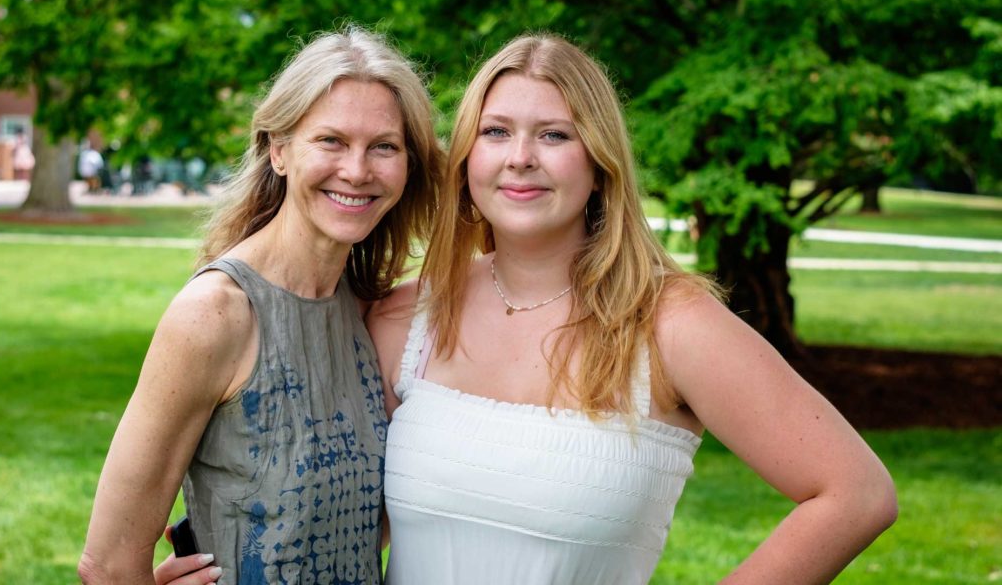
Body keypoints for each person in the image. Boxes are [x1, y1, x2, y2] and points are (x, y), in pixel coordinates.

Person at [364, 35, 897, 583]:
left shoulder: (671, 325)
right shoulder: (408, 317)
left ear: (599, 162)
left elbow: (857, 495)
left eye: (554, 135)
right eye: (495, 131)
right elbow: (350, 524)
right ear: (465, 158)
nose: (520, 157)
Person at [79, 26, 442, 585]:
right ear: (279, 150)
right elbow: (106, 562)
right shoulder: (216, 313)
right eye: (331, 141)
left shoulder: (369, 311)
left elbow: (354, 518)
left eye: (384, 146)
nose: (357, 169)